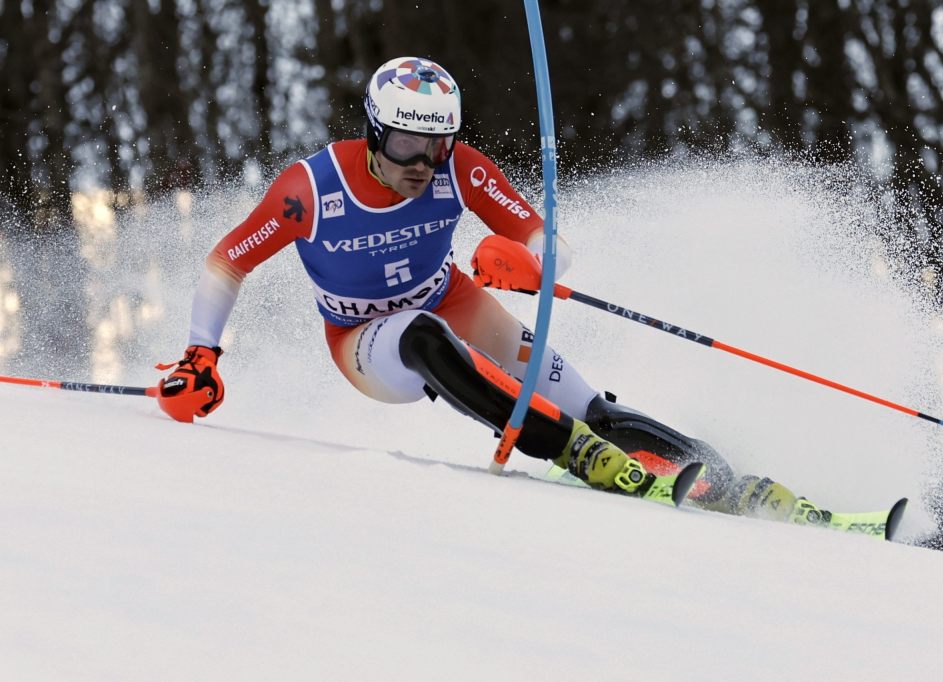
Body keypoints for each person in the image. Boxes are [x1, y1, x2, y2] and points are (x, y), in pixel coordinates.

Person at [157, 56, 829, 524]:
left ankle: (728, 480)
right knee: (425, 337)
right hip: (364, 339)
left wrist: (526, 265)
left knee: (586, 401)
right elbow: (226, 263)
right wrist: (201, 355)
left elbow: (550, 244)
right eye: (403, 145)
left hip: (450, 296)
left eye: (437, 145)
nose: (421, 165)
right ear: (372, 131)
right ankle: (570, 452)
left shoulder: (461, 171)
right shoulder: (311, 190)